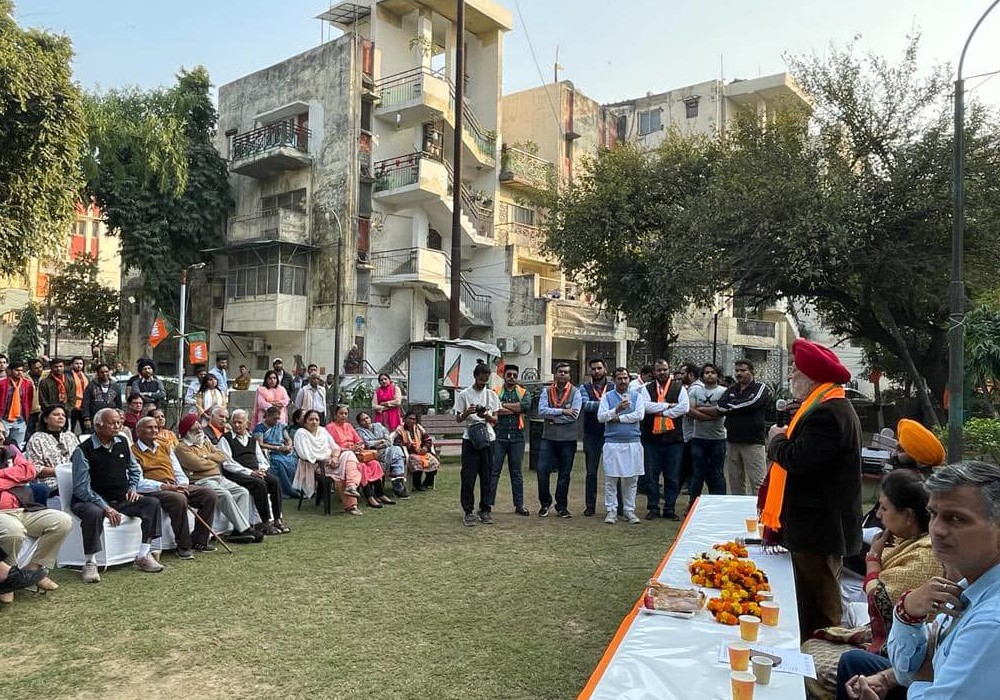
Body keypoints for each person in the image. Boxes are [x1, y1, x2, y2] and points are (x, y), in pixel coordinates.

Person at [842, 460, 1000, 700]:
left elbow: (921, 674)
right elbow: (909, 669)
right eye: (934, 514)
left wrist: (921, 676)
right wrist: (907, 611)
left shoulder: (990, 625)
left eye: (957, 519)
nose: (937, 529)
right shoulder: (968, 583)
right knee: (853, 664)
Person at [800, 469, 942, 700]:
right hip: (901, 652)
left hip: (906, 653)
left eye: (884, 508)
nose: (879, 514)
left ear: (908, 515)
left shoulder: (926, 555)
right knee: (812, 647)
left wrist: (873, 559)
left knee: (814, 661)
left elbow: (882, 599)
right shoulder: (910, 542)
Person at [762, 338, 862, 639]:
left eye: (795, 370)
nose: (790, 376)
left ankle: (822, 662)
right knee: (810, 599)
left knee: (819, 605)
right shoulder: (823, 407)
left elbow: (799, 460)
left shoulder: (828, 414)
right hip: (815, 524)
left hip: (818, 527)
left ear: (813, 377)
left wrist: (777, 439)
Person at [70, 407, 165, 582]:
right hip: (90, 500)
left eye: (119, 422)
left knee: (151, 503)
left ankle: (143, 554)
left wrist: (132, 489)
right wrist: (105, 507)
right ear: (98, 426)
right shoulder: (83, 450)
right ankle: (90, 563)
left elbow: (135, 470)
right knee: (93, 512)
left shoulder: (122, 442)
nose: (117, 425)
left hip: (120, 498)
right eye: (112, 422)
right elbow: (81, 488)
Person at [131, 417, 219, 557]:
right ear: (139, 432)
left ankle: (200, 540)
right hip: (154, 489)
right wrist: (166, 487)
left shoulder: (165, 446)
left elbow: (177, 470)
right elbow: (139, 482)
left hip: (174, 485)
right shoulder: (133, 451)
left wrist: (183, 484)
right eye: (149, 427)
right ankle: (183, 545)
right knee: (178, 499)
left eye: (156, 427)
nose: (154, 430)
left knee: (209, 494)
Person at [172, 413, 259, 543]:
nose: (199, 430)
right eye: (195, 429)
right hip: (201, 481)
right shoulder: (181, 448)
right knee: (224, 494)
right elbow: (197, 465)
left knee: (243, 492)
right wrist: (211, 460)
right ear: (187, 431)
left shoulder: (205, 442)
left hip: (218, 477)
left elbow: (222, 456)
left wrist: (206, 457)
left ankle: (237, 530)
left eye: (199, 428)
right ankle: (244, 529)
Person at [0, 440, 72, 597]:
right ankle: (9, 581)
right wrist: (14, 477)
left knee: (62, 521)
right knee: (14, 531)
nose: (1, 436)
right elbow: (21, 474)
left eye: (3, 432)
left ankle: (34, 569)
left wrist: (4, 476)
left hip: (23, 507)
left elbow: (30, 471)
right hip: (2, 513)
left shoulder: (10, 450)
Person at [217, 409, 289, 535]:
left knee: (275, 481)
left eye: (240, 422)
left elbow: (260, 458)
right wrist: (250, 472)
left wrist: (262, 469)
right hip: (236, 474)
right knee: (259, 484)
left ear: (247, 424)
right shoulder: (225, 439)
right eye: (234, 422)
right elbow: (227, 463)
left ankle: (277, 519)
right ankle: (265, 522)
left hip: (255, 471)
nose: (237, 425)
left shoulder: (252, 439)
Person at [640, 358, 690, 521]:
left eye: (664, 369)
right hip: (651, 439)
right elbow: (645, 407)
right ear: (654, 372)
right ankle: (653, 507)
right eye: (658, 370)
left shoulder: (678, 387)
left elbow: (684, 407)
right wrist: (668, 406)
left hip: (673, 440)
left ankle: (670, 508)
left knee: (672, 476)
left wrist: (661, 412)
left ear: (669, 370)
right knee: (651, 476)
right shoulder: (646, 388)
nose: (662, 372)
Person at [598, 367, 647, 525]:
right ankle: (611, 510)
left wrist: (618, 418)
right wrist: (616, 410)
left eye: (625, 378)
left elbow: (639, 415)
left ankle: (629, 510)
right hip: (613, 443)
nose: (623, 381)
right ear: (614, 380)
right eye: (619, 378)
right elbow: (601, 417)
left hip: (633, 442)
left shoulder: (637, 396)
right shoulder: (607, 397)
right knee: (611, 479)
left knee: (632, 479)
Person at [714, 359, 771, 495]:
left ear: (751, 371)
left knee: (758, 482)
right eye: (737, 370)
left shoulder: (760, 387)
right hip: (733, 441)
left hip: (753, 442)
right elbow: (719, 406)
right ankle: (738, 512)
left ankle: (760, 513)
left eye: (743, 370)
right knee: (735, 483)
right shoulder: (732, 389)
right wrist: (735, 406)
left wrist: (731, 407)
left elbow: (753, 402)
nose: (739, 373)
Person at [293, 409, 363, 515]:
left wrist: (334, 458)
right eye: (311, 419)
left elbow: (334, 447)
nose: (314, 422)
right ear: (305, 421)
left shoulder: (322, 430)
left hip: (331, 461)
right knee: (340, 475)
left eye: (316, 419)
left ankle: (351, 486)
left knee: (349, 455)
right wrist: (327, 459)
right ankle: (351, 506)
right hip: (315, 466)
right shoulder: (301, 433)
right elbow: (305, 454)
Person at [455, 363, 500, 526]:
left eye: (486, 380)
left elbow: (495, 420)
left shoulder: (492, 395)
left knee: (487, 475)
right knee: (468, 476)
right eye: (481, 380)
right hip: (470, 437)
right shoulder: (464, 394)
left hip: (488, 437)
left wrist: (485, 414)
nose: (483, 383)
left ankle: (485, 509)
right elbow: (459, 418)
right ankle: (468, 510)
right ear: (475, 376)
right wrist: (468, 412)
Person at [537, 362, 582, 519]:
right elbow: (541, 411)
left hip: (568, 440)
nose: (563, 374)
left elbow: (574, 415)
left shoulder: (576, 392)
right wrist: (563, 411)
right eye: (560, 371)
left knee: (564, 474)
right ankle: (544, 503)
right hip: (548, 438)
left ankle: (561, 506)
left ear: (570, 376)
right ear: (555, 374)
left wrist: (553, 419)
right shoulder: (546, 391)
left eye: (566, 372)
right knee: (542, 471)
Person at [327, 405, 389, 510]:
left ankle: (380, 493)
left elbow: (359, 440)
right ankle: (369, 497)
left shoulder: (349, 426)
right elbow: (332, 446)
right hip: (343, 456)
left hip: (357, 453)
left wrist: (360, 446)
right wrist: (350, 449)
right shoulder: (330, 427)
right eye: (341, 413)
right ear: (335, 415)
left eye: (345, 414)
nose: (343, 416)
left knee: (374, 463)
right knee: (362, 467)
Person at [490, 364, 531, 516]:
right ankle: (488, 503)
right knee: (494, 472)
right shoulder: (495, 392)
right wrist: (514, 408)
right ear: (504, 376)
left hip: (517, 437)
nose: (512, 378)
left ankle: (519, 505)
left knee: (516, 473)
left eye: (514, 375)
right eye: (509, 375)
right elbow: (493, 408)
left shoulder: (523, 392)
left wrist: (503, 406)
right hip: (499, 436)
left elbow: (525, 407)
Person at [686, 362, 728, 502]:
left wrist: (701, 409)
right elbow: (690, 411)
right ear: (702, 375)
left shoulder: (723, 391)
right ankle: (693, 504)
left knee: (717, 473)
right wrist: (710, 415)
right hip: (699, 438)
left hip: (718, 439)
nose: (709, 374)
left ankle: (720, 503)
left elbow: (721, 412)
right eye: (706, 372)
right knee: (698, 474)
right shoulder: (695, 391)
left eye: (712, 372)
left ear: (717, 375)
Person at [25, 405, 81, 496]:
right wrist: (60, 472)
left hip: (75, 479)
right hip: (50, 483)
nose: (61, 417)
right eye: (56, 414)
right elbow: (34, 468)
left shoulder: (70, 436)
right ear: (46, 419)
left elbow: (80, 459)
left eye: (63, 415)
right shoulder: (37, 439)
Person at [581, 358, 613, 518]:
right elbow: (585, 405)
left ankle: (617, 506)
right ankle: (590, 506)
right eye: (593, 369)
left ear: (605, 369)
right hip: (591, 434)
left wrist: (598, 404)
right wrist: (608, 404)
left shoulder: (614, 386)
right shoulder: (584, 388)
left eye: (599, 368)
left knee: (614, 472)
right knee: (591, 472)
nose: (596, 371)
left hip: (612, 433)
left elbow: (621, 404)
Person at [356, 411, 406, 500]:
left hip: (386, 450)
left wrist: (379, 443)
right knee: (395, 454)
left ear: (370, 418)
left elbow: (388, 440)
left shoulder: (378, 426)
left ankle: (398, 480)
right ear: (360, 423)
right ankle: (398, 487)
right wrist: (380, 441)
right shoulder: (359, 431)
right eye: (363, 420)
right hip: (373, 454)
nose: (366, 421)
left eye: (367, 418)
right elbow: (367, 444)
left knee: (396, 449)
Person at [253, 406, 299, 499]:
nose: (276, 421)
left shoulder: (280, 426)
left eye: (278, 418)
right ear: (267, 416)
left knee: (293, 461)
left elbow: (288, 439)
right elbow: (260, 444)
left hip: (283, 451)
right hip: (270, 452)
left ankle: (296, 489)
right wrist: (277, 448)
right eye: (274, 418)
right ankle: (284, 491)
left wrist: (288, 446)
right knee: (279, 463)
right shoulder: (260, 427)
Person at [677, 362, 702, 499]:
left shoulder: (693, 390)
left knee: (687, 468)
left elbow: (688, 410)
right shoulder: (692, 388)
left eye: (683, 373)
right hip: (691, 434)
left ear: (691, 374)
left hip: (692, 435)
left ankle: (678, 495)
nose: (681, 376)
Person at [396, 411, 440, 492]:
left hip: (422, 452)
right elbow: (397, 443)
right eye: (410, 418)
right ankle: (417, 484)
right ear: (405, 419)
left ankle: (427, 483)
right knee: (416, 460)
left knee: (434, 461)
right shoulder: (400, 429)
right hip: (410, 453)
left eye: (414, 419)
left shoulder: (419, 428)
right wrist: (410, 446)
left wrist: (425, 448)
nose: (412, 421)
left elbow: (428, 439)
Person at [0, 357, 33, 448]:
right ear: (10, 371)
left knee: (17, 447)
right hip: (4, 419)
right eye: (17, 370)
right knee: (2, 444)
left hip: (20, 420)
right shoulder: (2, 384)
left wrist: (27, 415)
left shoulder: (27, 384)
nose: (19, 372)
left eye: (21, 370)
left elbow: (29, 401)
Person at [81, 363, 122, 432]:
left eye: (106, 372)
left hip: (111, 419)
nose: (105, 374)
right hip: (95, 419)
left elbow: (119, 404)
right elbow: (85, 403)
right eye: (102, 372)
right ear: (98, 373)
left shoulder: (115, 386)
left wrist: (119, 417)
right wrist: (86, 418)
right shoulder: (91, 386)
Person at [69, 356, 89, 432]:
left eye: (81, 363)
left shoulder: (86, 376)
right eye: (76, 363)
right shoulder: (68, 376)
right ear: (72, 365)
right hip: (72, 406)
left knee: (85, 429)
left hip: (84, 406)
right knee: (71, 429)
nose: (79, 365)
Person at [25, 358, 45, 438]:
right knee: (29, 433)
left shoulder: (46, 375)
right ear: (30, 369)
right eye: (36, 368)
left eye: (40, 367)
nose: (39, 370)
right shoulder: (24, 377)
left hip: (43, 410)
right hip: (30, 410)